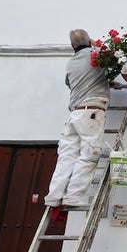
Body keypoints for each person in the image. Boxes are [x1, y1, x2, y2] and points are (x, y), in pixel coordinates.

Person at [44, 29, 115, 218]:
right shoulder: (96, 54)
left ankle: (54, 195)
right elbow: (115, 55)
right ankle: (74, 196)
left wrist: (106, 82)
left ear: (71, 45)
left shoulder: (71, 63)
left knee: (66, 156)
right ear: (89, 41)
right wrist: (96, 45)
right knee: (89, 154)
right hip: (91, 112)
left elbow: (71, 83)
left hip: (74, 114)